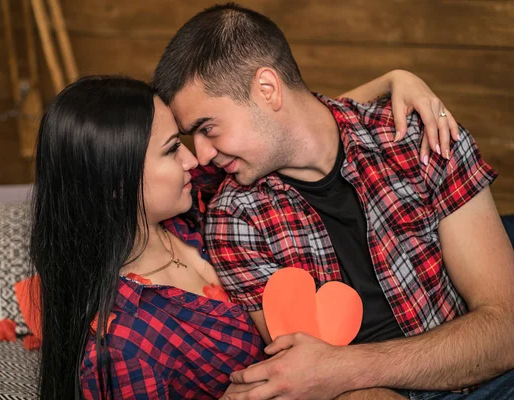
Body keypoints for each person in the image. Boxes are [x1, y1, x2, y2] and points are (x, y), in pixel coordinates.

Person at [151, 3, 514, 400]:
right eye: (190, 137)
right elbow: (311, 379)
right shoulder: (235, 219)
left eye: (207, 128)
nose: (201, 154)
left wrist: (342, 368)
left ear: (267, 89)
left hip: (489, 375)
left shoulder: (417, 135)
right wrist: (341, 376)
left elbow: (506, 327)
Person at [29, 70, 460, 399]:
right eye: (170, 149)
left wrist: (396, 80)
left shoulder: (192, 206)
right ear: (116, 183)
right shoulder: (121, 347)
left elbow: (296, 129)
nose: (193, 158)